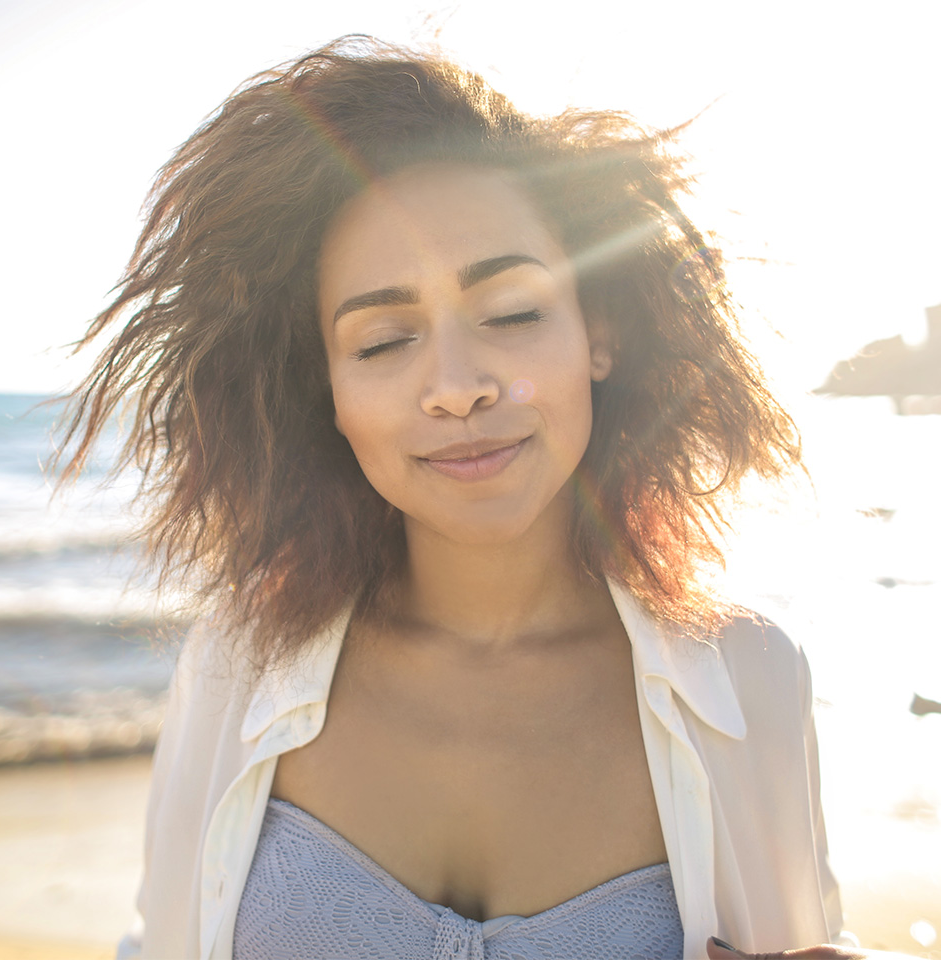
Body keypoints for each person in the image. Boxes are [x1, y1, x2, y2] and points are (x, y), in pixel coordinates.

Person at [57, 36, 896, 960]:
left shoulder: (747, 678)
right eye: (382, 341)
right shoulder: (235, 666)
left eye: (511, 313)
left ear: (597, 335)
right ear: (328, 393)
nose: (456, 386)